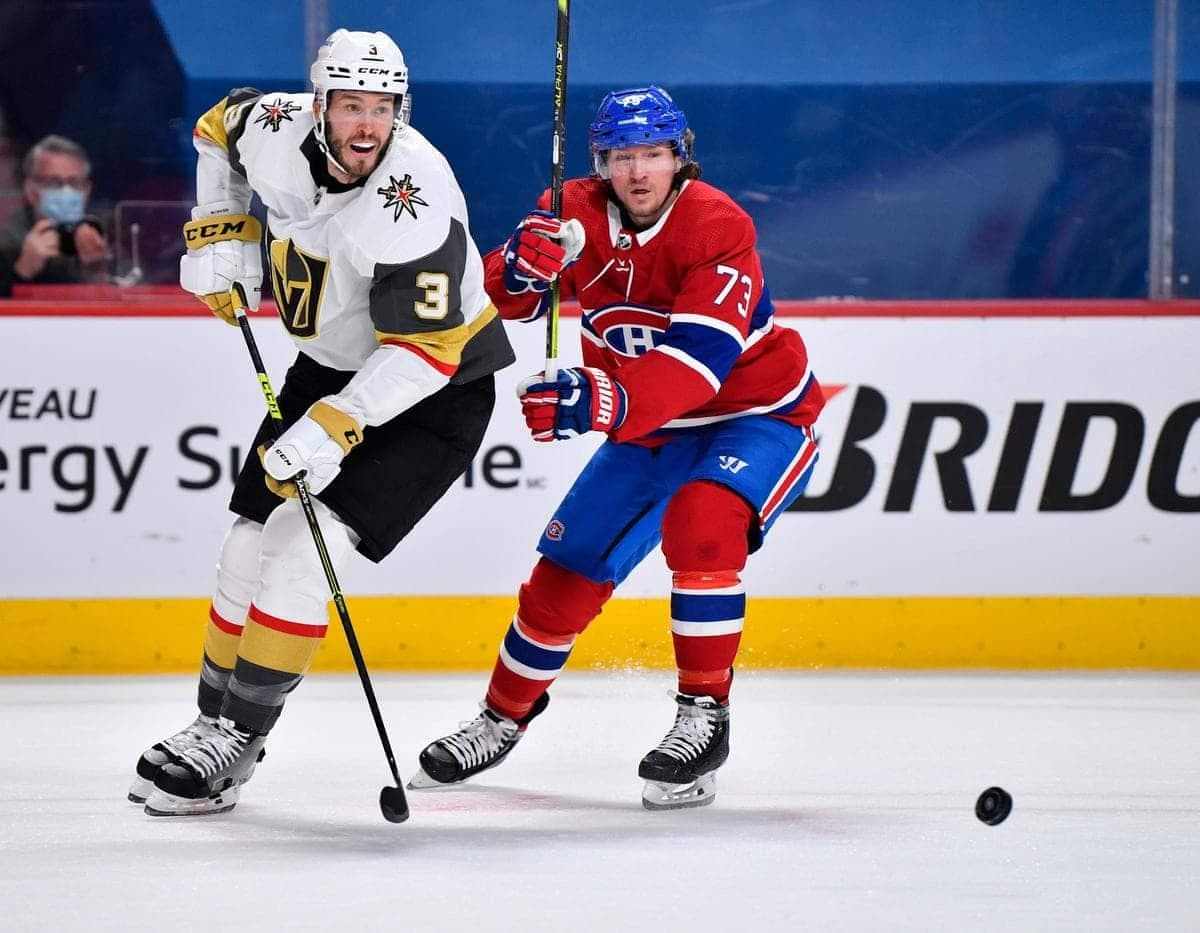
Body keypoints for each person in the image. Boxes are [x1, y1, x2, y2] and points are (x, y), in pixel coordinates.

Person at [129, 28, 514, 816]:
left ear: (401, 110)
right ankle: (208, 722)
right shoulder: (275, 127)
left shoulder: (417, 197)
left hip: (433, 391)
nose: (368, 124)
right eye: (352, 105)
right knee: (246, 542)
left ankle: (238, 740)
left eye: (383, 107)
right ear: (319, 105)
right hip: (331, 368)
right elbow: (216, 130)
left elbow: (429, 351)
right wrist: (221, 228)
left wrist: (333, 425)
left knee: (302, 549)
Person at [410, 86, 826, 810]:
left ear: (679, 158)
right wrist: (519, 268)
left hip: (755, 416)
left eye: (653, 154)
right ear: (601, 163)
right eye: (622, 156)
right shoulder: (571, 209)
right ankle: (501, 717)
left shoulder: (717, 226)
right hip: (648, 426)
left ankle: (704, 716)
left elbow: (697, 365)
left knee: (703, 525)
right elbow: (493, 303)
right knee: (565, 571)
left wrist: (600, 400)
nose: (638, 171)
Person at [0, 134, 109, 297]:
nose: (66, 191)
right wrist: (22, 271)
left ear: (87, 191)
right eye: (53, 183)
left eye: (74, 183)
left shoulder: (103, 236)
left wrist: (98, 270)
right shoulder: (6, 245)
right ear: (30, 190)